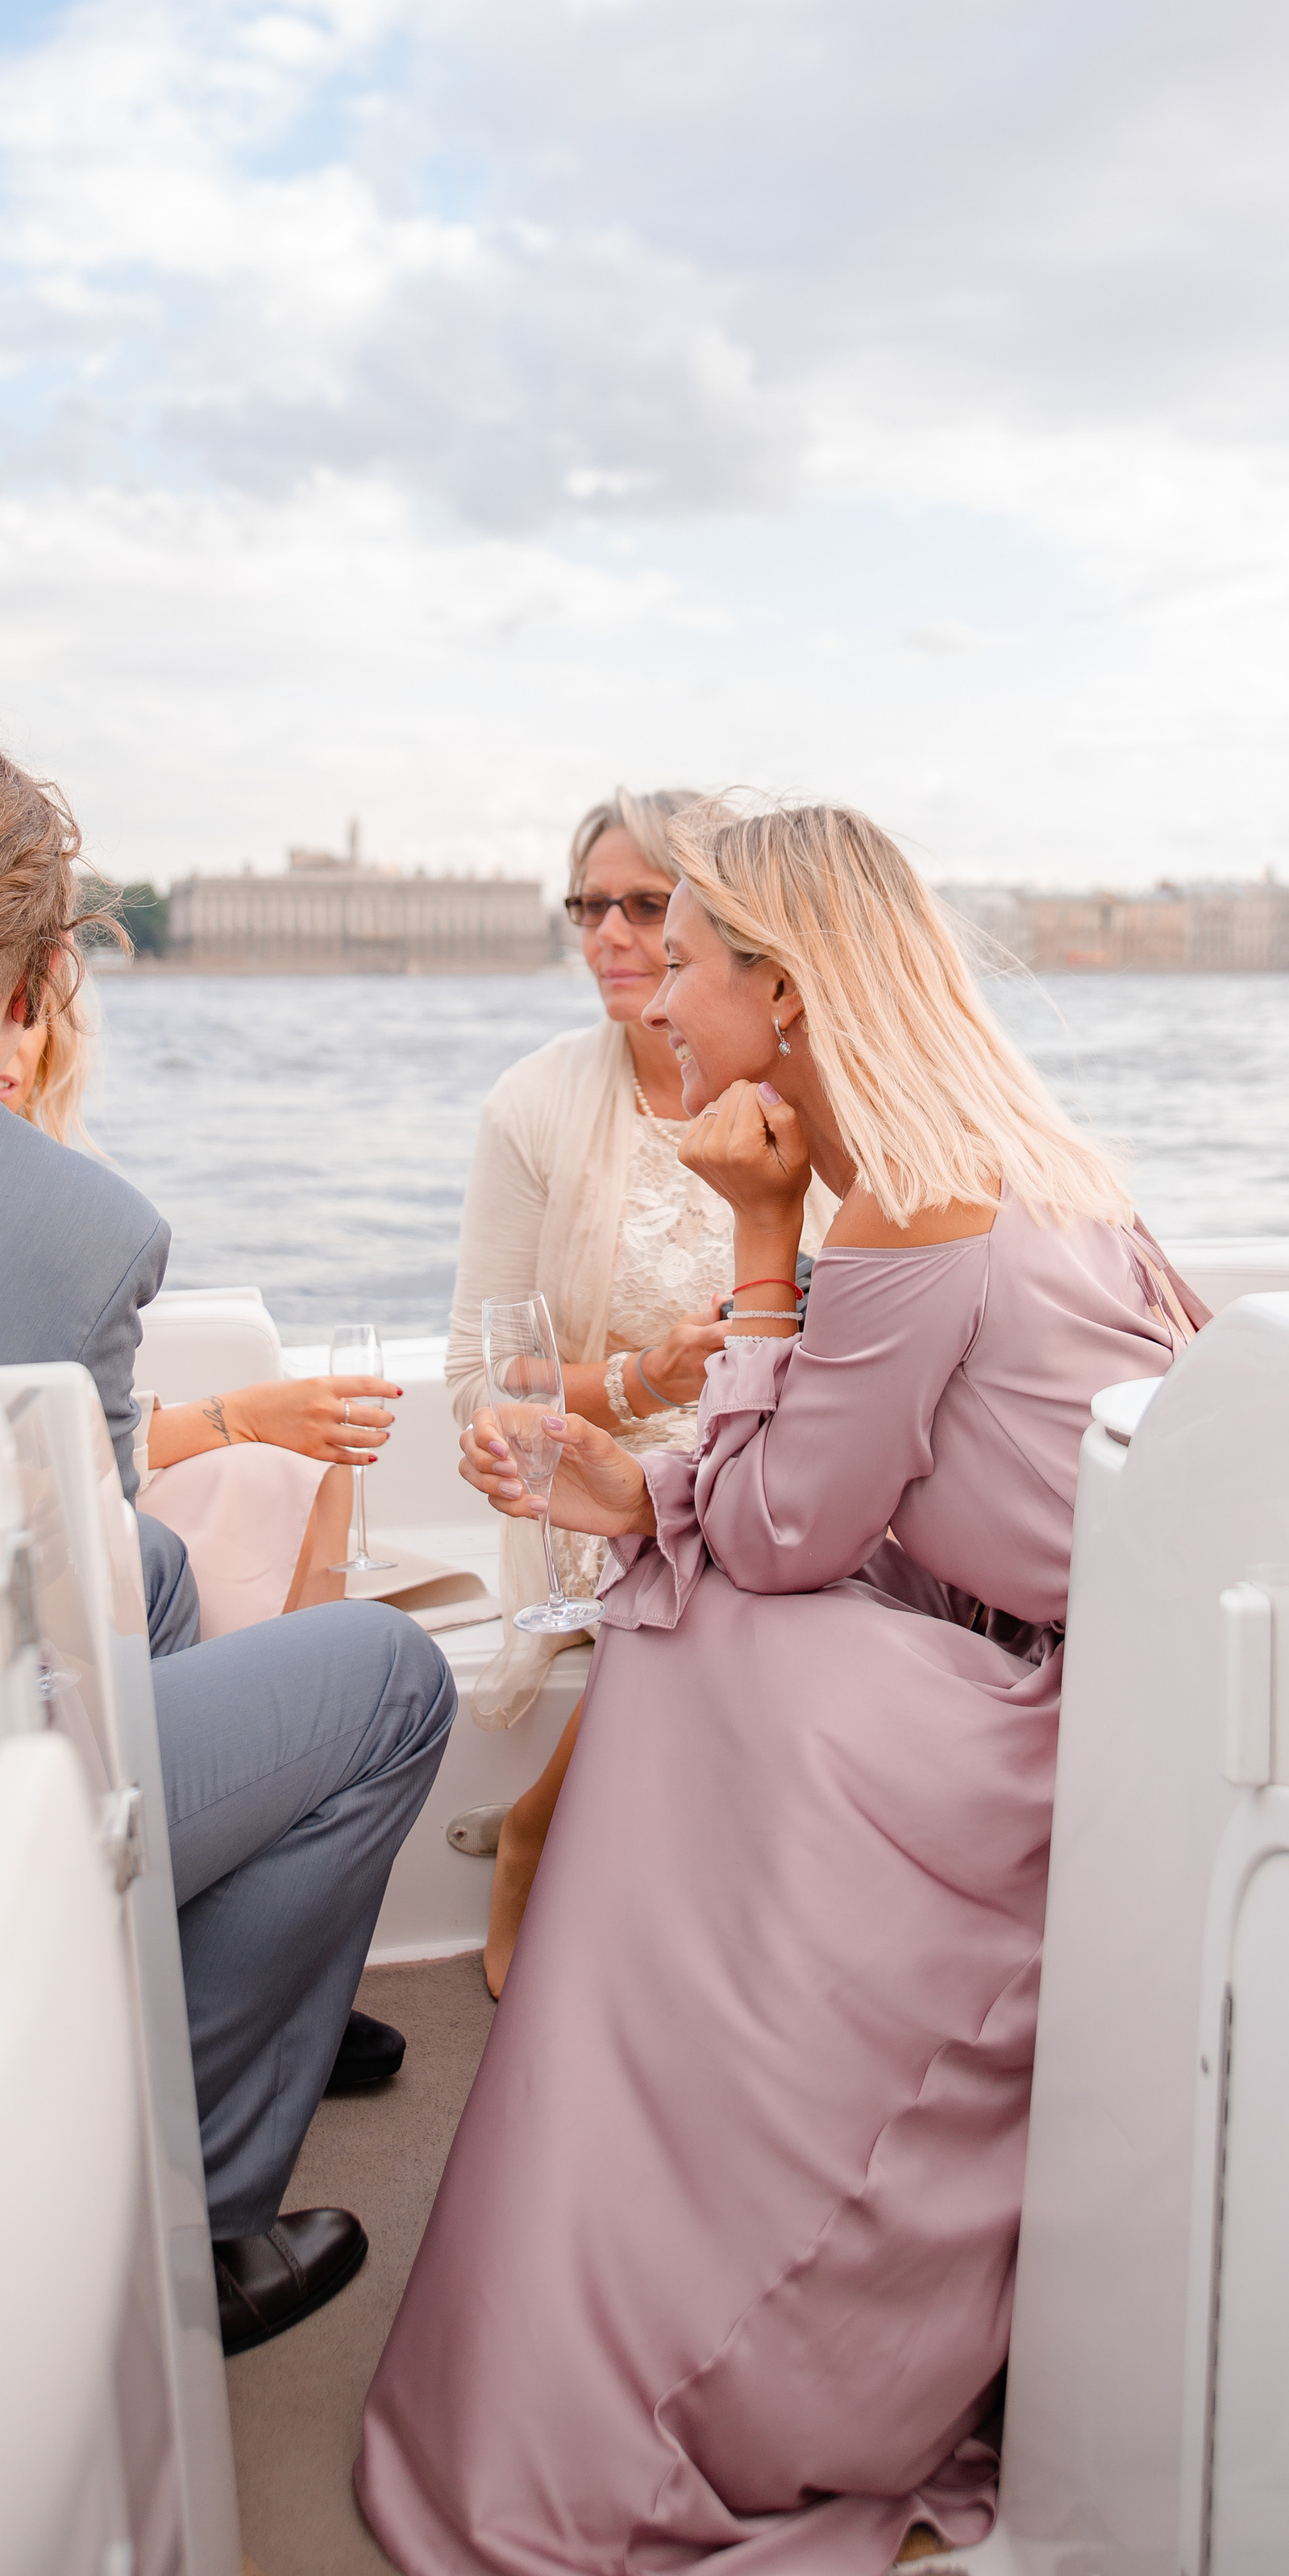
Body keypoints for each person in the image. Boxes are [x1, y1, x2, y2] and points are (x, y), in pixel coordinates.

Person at [358, 800, 1207, 2576]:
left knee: (697, 1642)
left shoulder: (909, 1194)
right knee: (691, 1607)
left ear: (785, 990)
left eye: (689, 957)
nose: (655, 986)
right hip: (1076, 1671)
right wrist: (633, 1488)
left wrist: (753, 1239)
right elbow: (830, 1488)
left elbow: (783, 1523)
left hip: (1042, 1714)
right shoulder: (1013, 1156)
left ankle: (685, 2263)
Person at [0, 727, 456, 2357]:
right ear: (48, 981)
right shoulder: (82, 1228)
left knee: (166, 1569)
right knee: (390, 1678)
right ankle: (179, 2231)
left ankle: (176, 1996)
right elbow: (72, 1628)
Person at [446, 787, 833, 1993]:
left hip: (782, 1439)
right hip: (598, 1472)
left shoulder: (803, 1087)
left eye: (646, 909)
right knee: (705, 1563)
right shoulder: (536, 1105)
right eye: (588, 907)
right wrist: (634, 1378)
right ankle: (540, 1835)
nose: (611, 936)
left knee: (768, 1550)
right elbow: (477, 1377)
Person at [0, 970, 383, 1633]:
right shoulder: (42, 1209)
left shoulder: (63, 1197)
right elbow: (49, 1442)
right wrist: (249, 1414)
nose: (9, 1046)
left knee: (306, 1469)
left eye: (26, 1015)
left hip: (72, 1482)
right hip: (29, 1507)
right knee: (283, 1475)